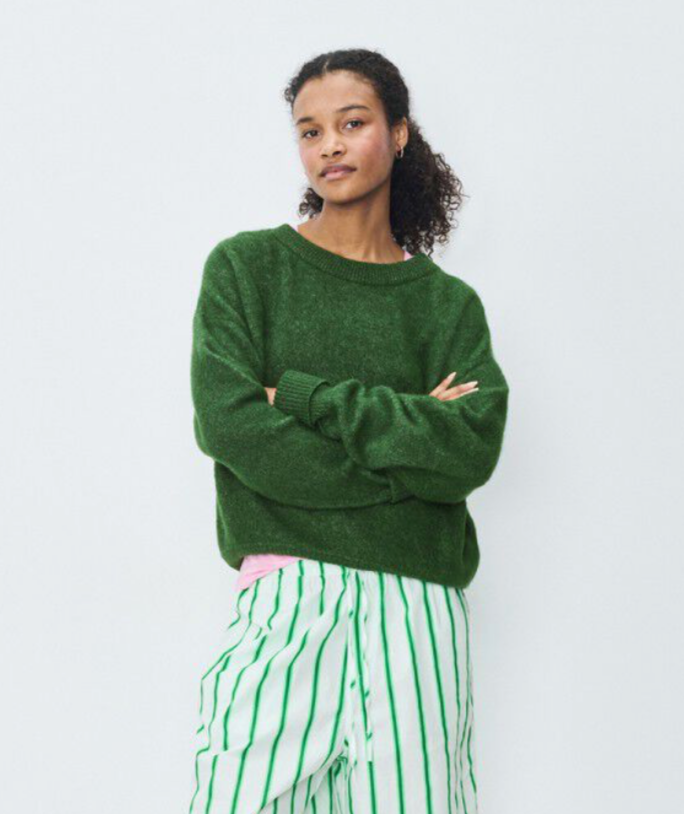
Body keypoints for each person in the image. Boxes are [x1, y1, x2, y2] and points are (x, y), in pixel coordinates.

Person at [188, 47, 509, 814]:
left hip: (418, 614)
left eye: (352, 123)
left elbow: (466, 450)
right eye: (310, 131)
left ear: (398, 133)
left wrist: (302, 396)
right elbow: (234, 428)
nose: (329, 145)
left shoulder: (445, 307)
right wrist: (409, 461)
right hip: (287, 599)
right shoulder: (247, 270)